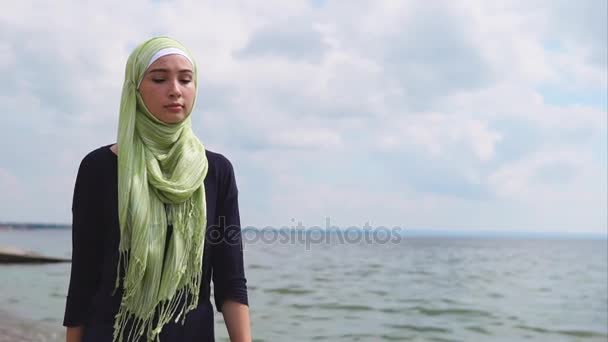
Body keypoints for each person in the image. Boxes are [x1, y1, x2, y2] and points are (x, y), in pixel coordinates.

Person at [63, 36, 251, 342]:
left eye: (186, 80)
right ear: (134, 88)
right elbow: (83, 276)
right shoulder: (98, 168)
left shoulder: (216, 171)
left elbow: (231, 280)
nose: (175, 90)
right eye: (160, 79)